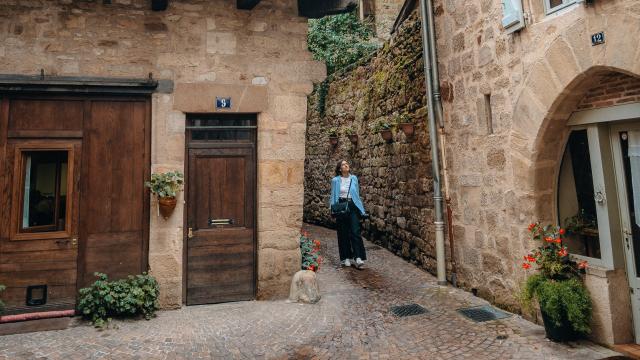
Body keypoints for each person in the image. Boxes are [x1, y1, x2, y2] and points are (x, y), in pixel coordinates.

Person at [330, 160, 368, 269]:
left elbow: (357, 194)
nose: (346, 165)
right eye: (343, 164)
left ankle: (358, 257)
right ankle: (345, 258)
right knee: (343, 233)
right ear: (339, 169)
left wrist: (361, 209)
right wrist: (332, 210)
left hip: (352, 206)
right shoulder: (335, 180)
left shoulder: (354, 178)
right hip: (341, 206)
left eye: (347, 164)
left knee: (355, 231)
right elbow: (333, 196)